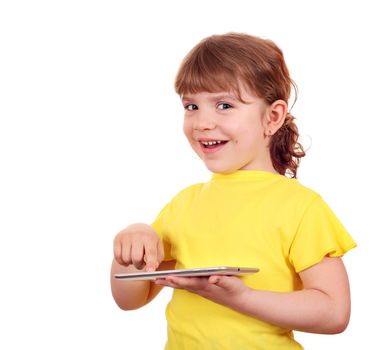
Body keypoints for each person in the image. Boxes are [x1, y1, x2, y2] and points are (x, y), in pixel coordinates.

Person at [110, 32, 356, 349]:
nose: (202, 122)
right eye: (191, 106)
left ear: (273, 117)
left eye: (224, 105)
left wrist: (243, 298)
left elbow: (334, 313)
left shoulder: (301, 207)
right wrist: (131, 247)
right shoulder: (184, 204)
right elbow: (128, 299)